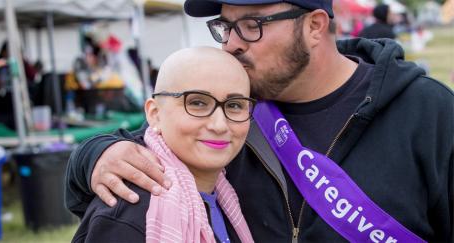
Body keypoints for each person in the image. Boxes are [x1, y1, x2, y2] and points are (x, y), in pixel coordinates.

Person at [65, 0, 454, 242]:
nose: (231, 43)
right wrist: (97, 155)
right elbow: (129, 153)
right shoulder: (227, 112)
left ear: (315, 26)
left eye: (252, 25)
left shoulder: (428, 112)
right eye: (226, 26)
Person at [71, 47, 255, 243]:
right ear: (155, 114)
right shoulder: (129, 212)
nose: (219, 125)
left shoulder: (230, 198)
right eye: (198, 103)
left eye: (235, 105)